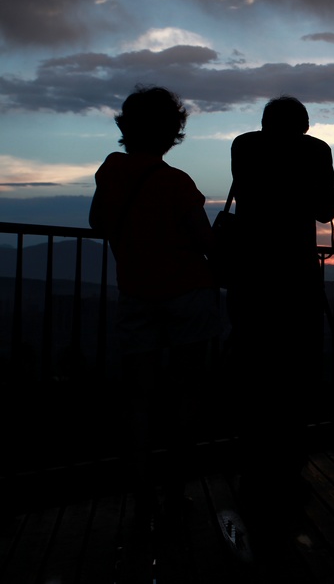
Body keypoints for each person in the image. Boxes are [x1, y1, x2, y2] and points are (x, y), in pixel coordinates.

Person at [89, 85, 219, 528]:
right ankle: (175, 490)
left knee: (138, 399)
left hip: (136, 291)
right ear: (172, 132)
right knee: (186, 394)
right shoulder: (176, 182)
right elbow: (207, 245)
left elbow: (97, 221)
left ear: (127, 127)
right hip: (188, 293)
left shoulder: (110, 171)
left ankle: (142, 493)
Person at [228, 96, 334, 514]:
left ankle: (252, 463)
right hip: (296, 271)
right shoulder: (316, 151)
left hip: (251, 270)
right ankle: (289, 464)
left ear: (264, 121)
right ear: (304, 124)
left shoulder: (243, 145)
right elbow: (326, 210)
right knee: (295, 364)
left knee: (252, 362)